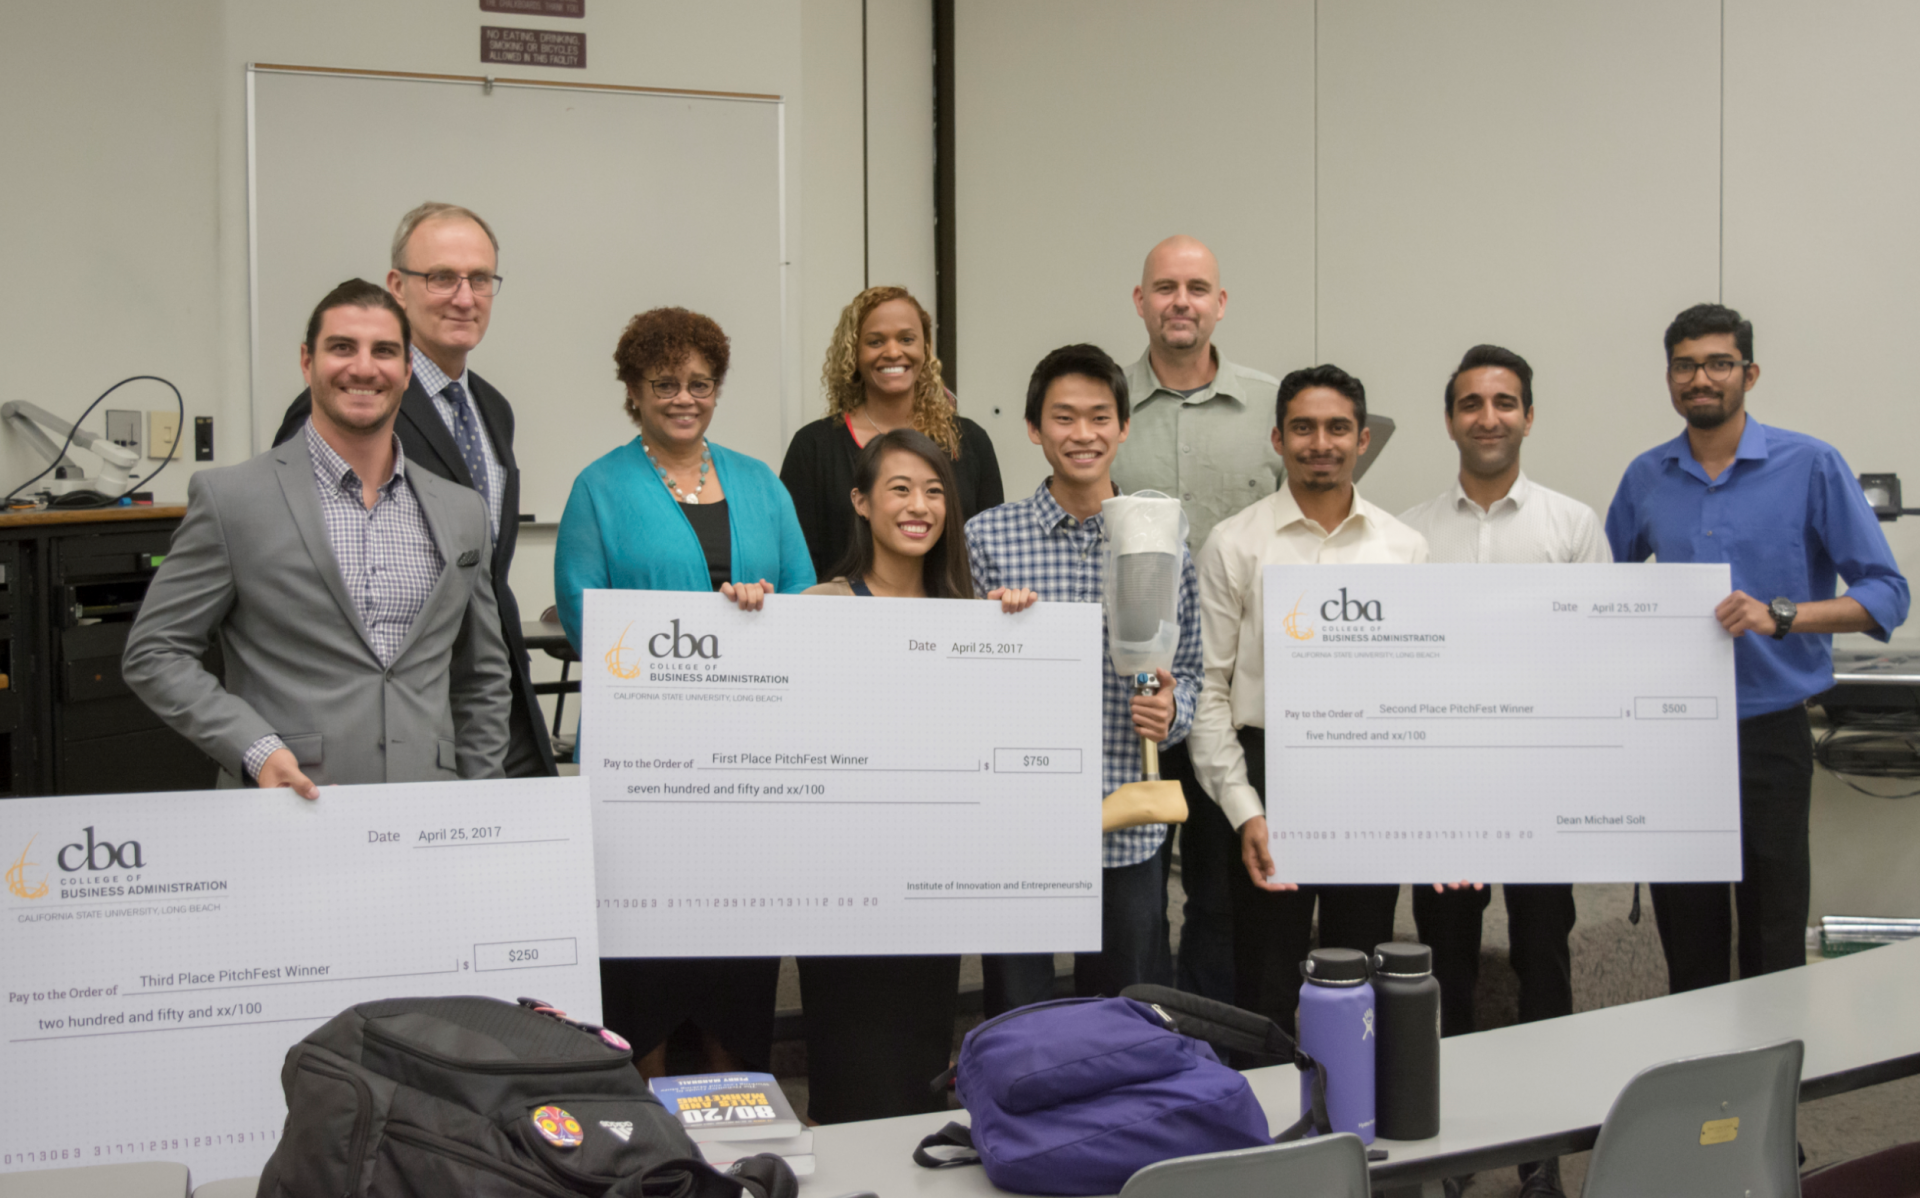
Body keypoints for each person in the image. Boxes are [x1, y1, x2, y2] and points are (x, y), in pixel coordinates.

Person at [1606, 303, 1908, 995]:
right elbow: (1607, 592)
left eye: (1718, 363)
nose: (1701, 378)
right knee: (1688, 929)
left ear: (1750, 372)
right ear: (1669, 377)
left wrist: (1782, 615)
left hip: (1771, 731)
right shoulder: (1646, 476)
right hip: (1674, 735)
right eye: (1685, 365)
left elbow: (1886, 594)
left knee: (1774, 927)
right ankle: (1694, 1084)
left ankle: (1777, 1085)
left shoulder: (1811, 464)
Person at [555, 305, 814, 1079]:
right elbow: (581, 613)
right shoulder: (598, 487)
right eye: (663, 382)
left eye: (700, 383)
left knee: (739, 945)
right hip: (647, 774)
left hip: (748, 764)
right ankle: (641, 1112)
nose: (683, 397)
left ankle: (740, 1112)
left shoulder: (760, 483)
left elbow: (805, 594)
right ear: (632, 390)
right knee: (647, 959)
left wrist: (768, 611)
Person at [124, 278, 511, 791]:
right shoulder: (232, 499)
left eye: (385, 351)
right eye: (342, 348)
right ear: (307, 361)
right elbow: (155, 652)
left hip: (427, 820)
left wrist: (484, 797)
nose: (364, 367)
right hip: (290, 811)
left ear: (408, 368)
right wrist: (254, 750)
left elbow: (481, 677)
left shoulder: (463, 511)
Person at [1398, 344, 1608, 1198]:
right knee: (1443, 971)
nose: (1490, 418)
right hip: (1444, 790)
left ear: (1528, 415)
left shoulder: (1571, 525)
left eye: (1506, 402)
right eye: (1472, 404)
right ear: (1450, 419)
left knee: (1542, 961)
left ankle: (1540, 1153)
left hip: (1540, 786)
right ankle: (1449, 1150)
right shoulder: (1409, 533)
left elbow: (1598, 655)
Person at [798, 428, 1035, 1123]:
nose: (919, 505)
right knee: (847, 1082)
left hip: (929, 889)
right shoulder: (818, 609)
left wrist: (1018, 638)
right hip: (840, 888)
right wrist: (752, 616)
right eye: (899, 488)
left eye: (935, 491)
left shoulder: (973, 620)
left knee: (917, 1075)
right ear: (861, 502)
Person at [273, 202, 555, 778]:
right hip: (395, 717)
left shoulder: (492, 409)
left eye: (480, 279)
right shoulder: (350, 402)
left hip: (493, 701)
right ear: (397, 287)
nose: (464, 296)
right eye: (442, 277)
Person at [965, 343, 1203, 1011]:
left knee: (1130, 1010)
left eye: (1099, 417)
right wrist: (984, 643)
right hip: (1021, 822)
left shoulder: (1163, 540)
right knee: (1020, 1011)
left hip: (1128, 817)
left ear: (1124, 428)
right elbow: (959, 691)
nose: (1083, 434)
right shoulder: (986, 538)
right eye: (1063, 418)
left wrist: (1171, 712)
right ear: (1035, 429)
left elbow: (1190, 673)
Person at [1190, 364, 1427, 1033]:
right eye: (1303, 427)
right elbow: (1209, 690)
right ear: (1277, 437)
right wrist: (1245, 810)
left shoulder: (1404, 549)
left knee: (1362, 969)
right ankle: (1268, 1124)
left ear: (1361, 439)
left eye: (1336, 428)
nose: (1319, 442)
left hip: (1368, 777)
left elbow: (1416, 687)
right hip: (1268, 774)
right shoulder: (1234, 543)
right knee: (1265, 976)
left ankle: (1357, 1117)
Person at [1112, 233, 1283, 1006]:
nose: (1181, 301)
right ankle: (1142, 1030)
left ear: (1220, 303)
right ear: (1140, 301)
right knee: (1136, 890)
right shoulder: (1104, 405)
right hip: (1135, 692)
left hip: (1230, 688)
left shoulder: (1269, 406)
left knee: (1218, 886)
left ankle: (1212, 1036)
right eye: (1166, 287)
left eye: (1197, 288)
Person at [781, 286, 1003, 580]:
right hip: (839, 618)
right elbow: (797, 561)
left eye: (907, 339)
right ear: (853, 353)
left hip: (951, 618)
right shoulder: (813, 447)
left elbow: (991, 551)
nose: (893, 352)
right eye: (875, 342)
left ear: (924, 348)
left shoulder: (968, 441)